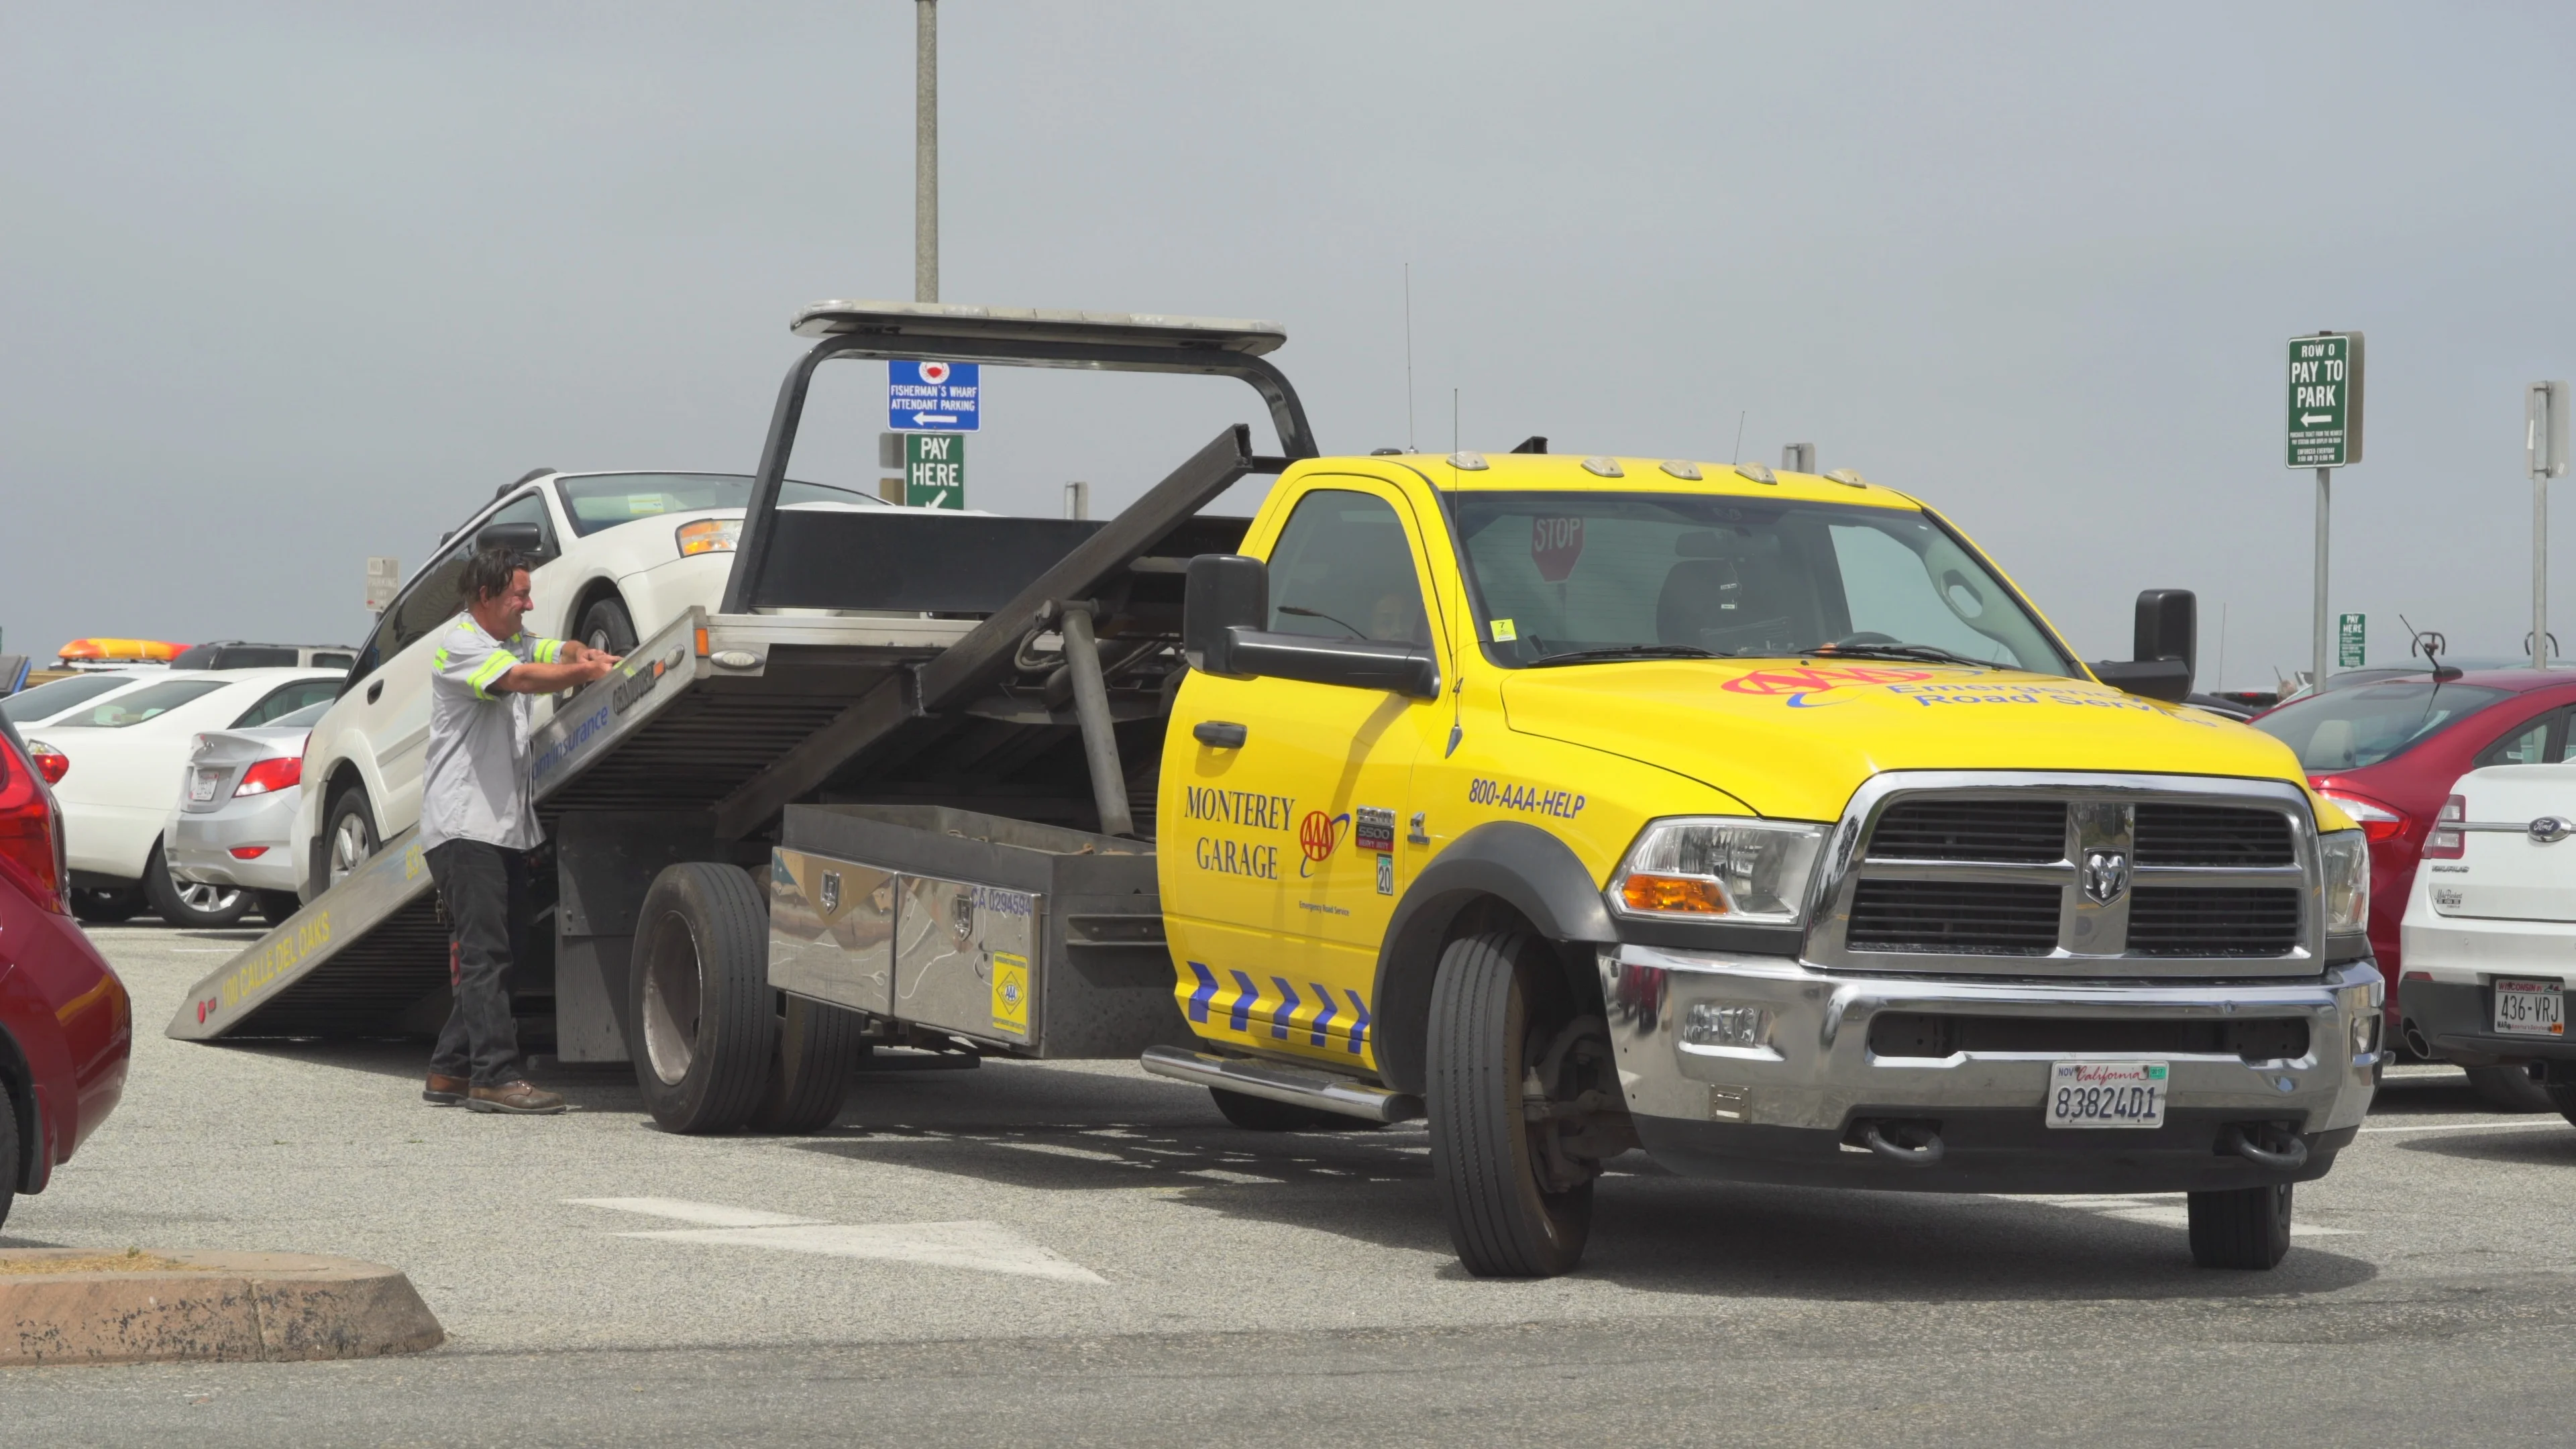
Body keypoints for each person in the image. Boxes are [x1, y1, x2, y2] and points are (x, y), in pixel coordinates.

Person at [419, 548, 618, 1114]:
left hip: (501, 828)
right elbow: (522, 678)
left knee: (509, 945)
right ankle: (494, 1077)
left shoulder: (509, 637)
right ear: (484, 598)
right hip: (464, 827)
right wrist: (584, 672)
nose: (528, 605)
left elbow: (547, 651)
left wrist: (582, 651)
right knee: (487, 953)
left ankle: (450, 1070)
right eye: (519, 596)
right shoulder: (461, 645)